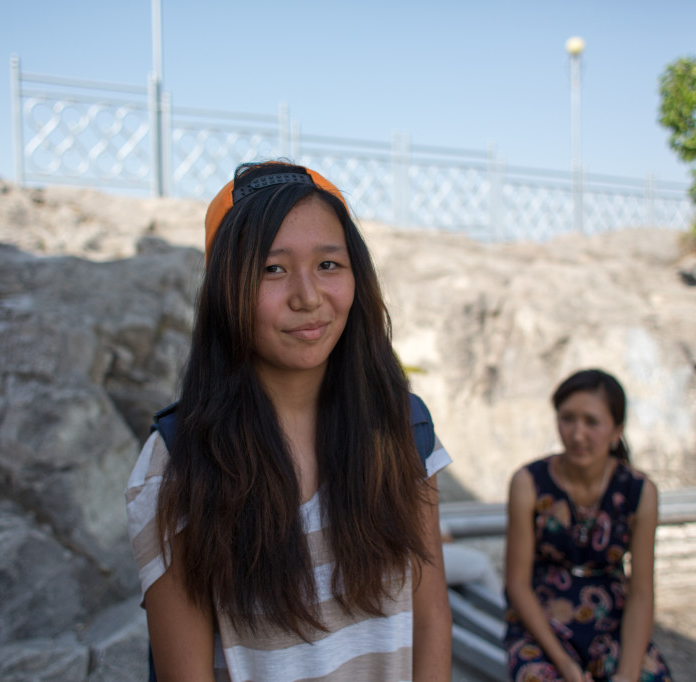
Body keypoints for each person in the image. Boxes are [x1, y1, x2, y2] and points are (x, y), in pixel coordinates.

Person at [125, 161, 453, 682]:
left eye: (328, 264)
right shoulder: (180, 463)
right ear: (226, 291)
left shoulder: (402, 429)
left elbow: (431, 618)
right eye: (271, 269)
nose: (307, 296)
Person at [503, 369, 672, 682]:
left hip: (612, 627)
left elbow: (641, 593)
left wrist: (628, 673)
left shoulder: (638, 491)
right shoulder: (529, 483)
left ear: (616, 429)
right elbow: (517, 584)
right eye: (567, 418)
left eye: (592, 422)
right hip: (542, 627)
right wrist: (566, 665)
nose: (577, 434)